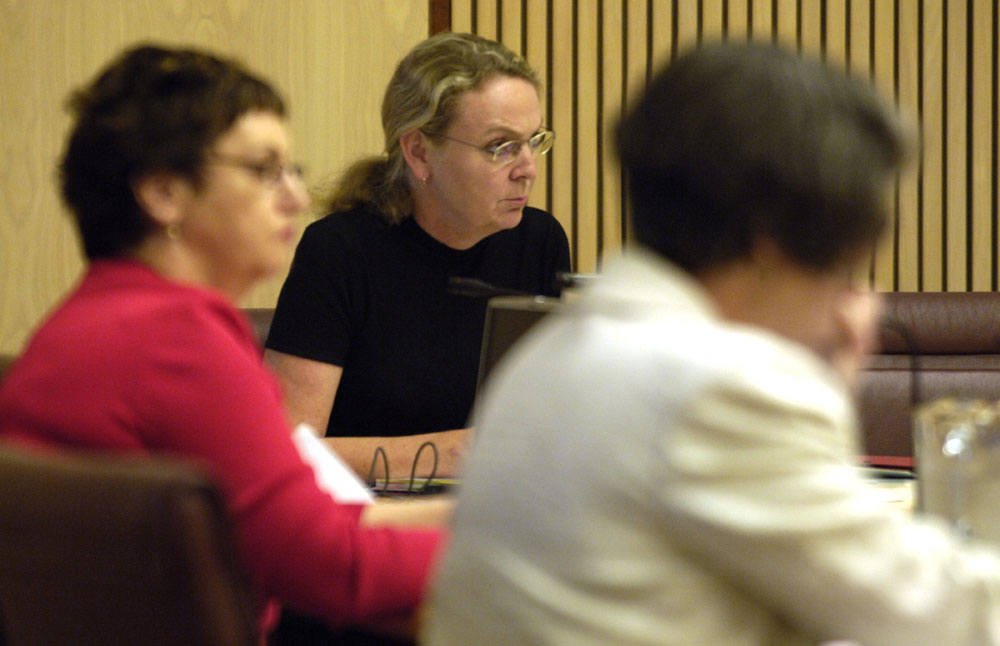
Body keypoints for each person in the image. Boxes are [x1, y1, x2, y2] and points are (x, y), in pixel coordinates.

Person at [421, 41, 1000, 645]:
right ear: (771, 243)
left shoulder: (549, 354)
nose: (846, 301)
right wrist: (806, 385)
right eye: (846, 263)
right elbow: (937, 613)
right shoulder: (719, 386)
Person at [0, 44, 448, 643]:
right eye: (264, 171)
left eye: (292, 170)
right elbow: (334, 569)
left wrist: (481, 517)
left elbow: (296, 521)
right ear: (164, 193)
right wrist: (518, 550)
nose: (294, 197)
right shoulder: (177, 341)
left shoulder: (87, 320)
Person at [263, 32, 571, 480]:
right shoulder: (340, 252)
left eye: (533, 141)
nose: (527, 169)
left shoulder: (538, 241)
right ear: (419, 152)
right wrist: (442, 454)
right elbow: (285, 450)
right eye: (500, 147)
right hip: (370, 516)